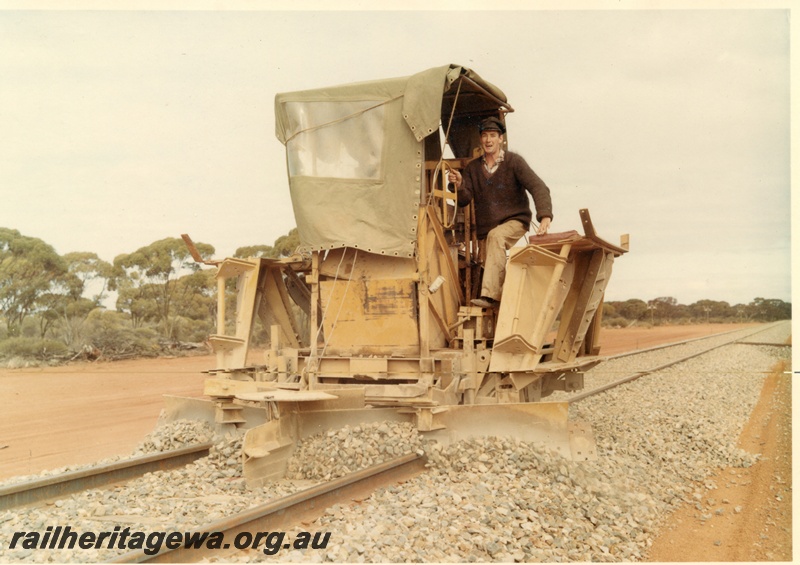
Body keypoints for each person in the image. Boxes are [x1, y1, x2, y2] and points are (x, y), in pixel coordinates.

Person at [448, 116, 553, 308]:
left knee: (496, 237)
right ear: (481, 139)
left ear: (500, 139)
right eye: (485, 135)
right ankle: (502, 305)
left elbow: (538, 187)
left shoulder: (514, 162)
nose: (488, 140)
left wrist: (545, 215)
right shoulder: (472, 168)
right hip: (487, 231)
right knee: (491, 263)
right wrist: (460, 183)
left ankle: (489, 297)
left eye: (493, 136)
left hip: (515, 220)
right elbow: (464, 199)